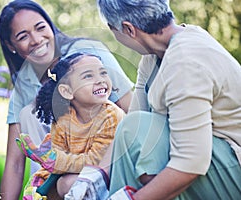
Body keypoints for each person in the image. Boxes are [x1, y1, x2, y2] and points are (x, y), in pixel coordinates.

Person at [66, 0, 241, 199]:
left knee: (137, 130)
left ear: (128, 29)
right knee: (134, 127)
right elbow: (131, 127)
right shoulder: (153, 56)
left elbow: (191, 162)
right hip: (210, 161)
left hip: (231, 165)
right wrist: (96, 175)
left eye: (113, 30)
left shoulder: (185, 61)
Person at [0, 0, 133, 199]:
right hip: (66, 166)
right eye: (23, 36)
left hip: (106, 160)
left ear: (50, 26)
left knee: (70, 184)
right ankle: (43, 193)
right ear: (11, 45)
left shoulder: (88, 52)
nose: (36, 40)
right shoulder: (24, 84)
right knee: (29, 113)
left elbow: (132, 109)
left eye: (40, 27)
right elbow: (15, 164)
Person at [16, 52, 125, 199]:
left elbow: (96, 162)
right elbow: (55, 166)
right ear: (67, 91)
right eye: (88, 76)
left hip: (111, 178)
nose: (100, 80)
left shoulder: (111, 116)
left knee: (68, 184)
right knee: (56, 186)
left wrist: (55, 161)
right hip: (77, 175)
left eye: (103, 73)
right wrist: (37, 186)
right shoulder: (63, 120)